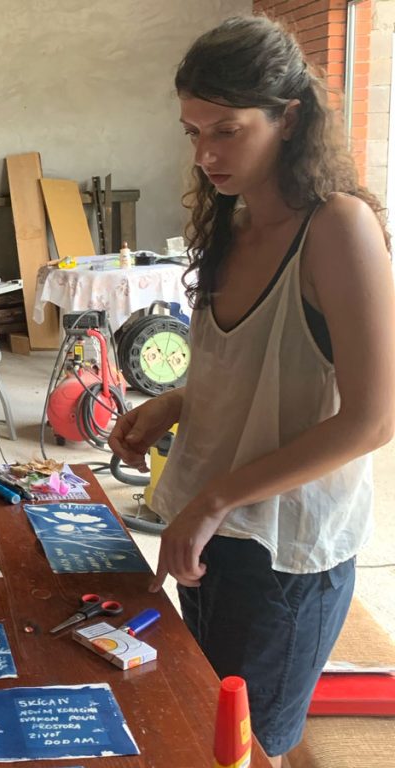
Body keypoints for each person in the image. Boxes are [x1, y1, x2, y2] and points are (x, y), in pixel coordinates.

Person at [109, 15, 395, 766]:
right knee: (198, 721)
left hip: (282, 556)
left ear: (289, 117)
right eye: (192, 132)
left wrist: (211, 500)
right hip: (214, 533)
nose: (205, 154)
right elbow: (250, 366)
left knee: (242, 750)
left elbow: (373, 418)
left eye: (226, 131)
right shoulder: (231, 219)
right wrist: (172, 404)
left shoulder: (338, 228)